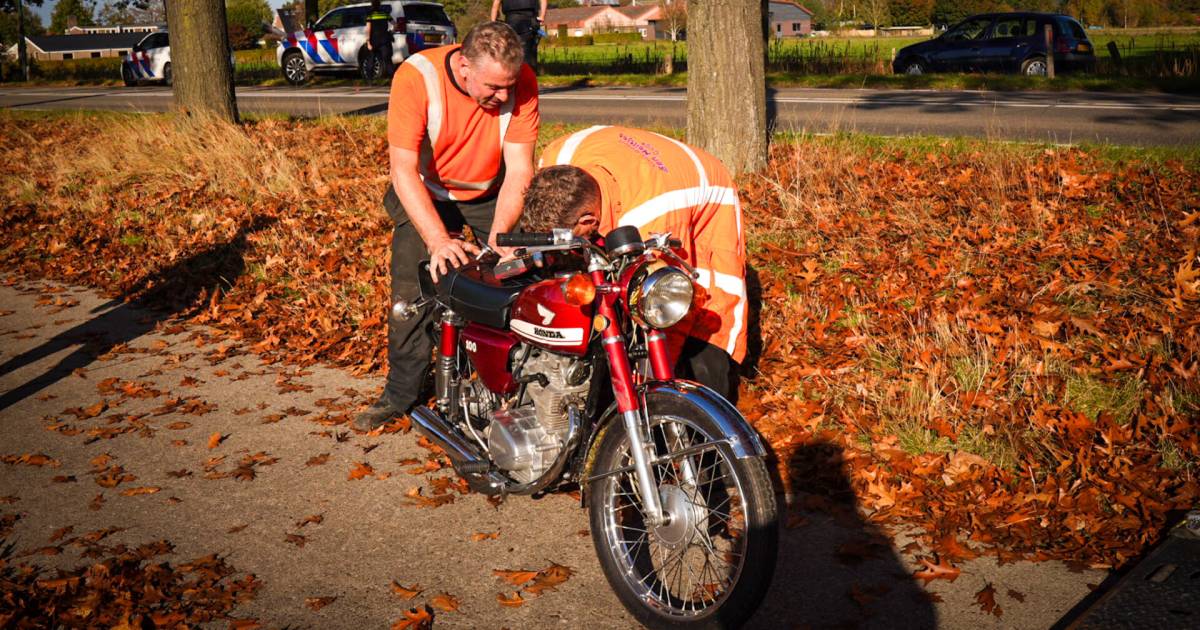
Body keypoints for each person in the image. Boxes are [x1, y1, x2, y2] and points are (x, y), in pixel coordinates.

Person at [354, 22, 540, 431]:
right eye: (493, 87)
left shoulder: (520, 79)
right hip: (426, 189)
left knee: (520, 276)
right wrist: (438, 240)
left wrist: (500, 236)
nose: (504, 95)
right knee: (412, 292)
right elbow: (402, 171)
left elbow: (521, 170)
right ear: (464, 67)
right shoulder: (417, 77)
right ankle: (399, 395)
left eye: (509, 86)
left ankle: (512, 386)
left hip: (490, 191)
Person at [523, 126, 747, 400]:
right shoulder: (557, 158)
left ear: (588, 222)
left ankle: (702, 406)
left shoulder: (651, 217)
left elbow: (662, 306)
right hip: (627, 162)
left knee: (691, 302)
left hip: (703, 193)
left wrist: (652, 378)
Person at [490, 0, 546, 70]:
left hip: (513, 21)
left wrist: (493, 23)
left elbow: (495, 5)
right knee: (527, 54)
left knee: (512, 53)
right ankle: (526, 75)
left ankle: (515, 74)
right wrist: (542, 16)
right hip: (527, 21)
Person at [364, 0, 394, 80]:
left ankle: (370, 80)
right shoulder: (385, 13)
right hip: (385, 40)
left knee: (371, 60)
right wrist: (390, 32)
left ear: (372, 5)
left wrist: (368, 42)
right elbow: (395, 24)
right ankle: (393, 79)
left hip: (374, 41)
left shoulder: (370, 15)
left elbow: (368, 29)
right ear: (379, 4)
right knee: (388, 61)